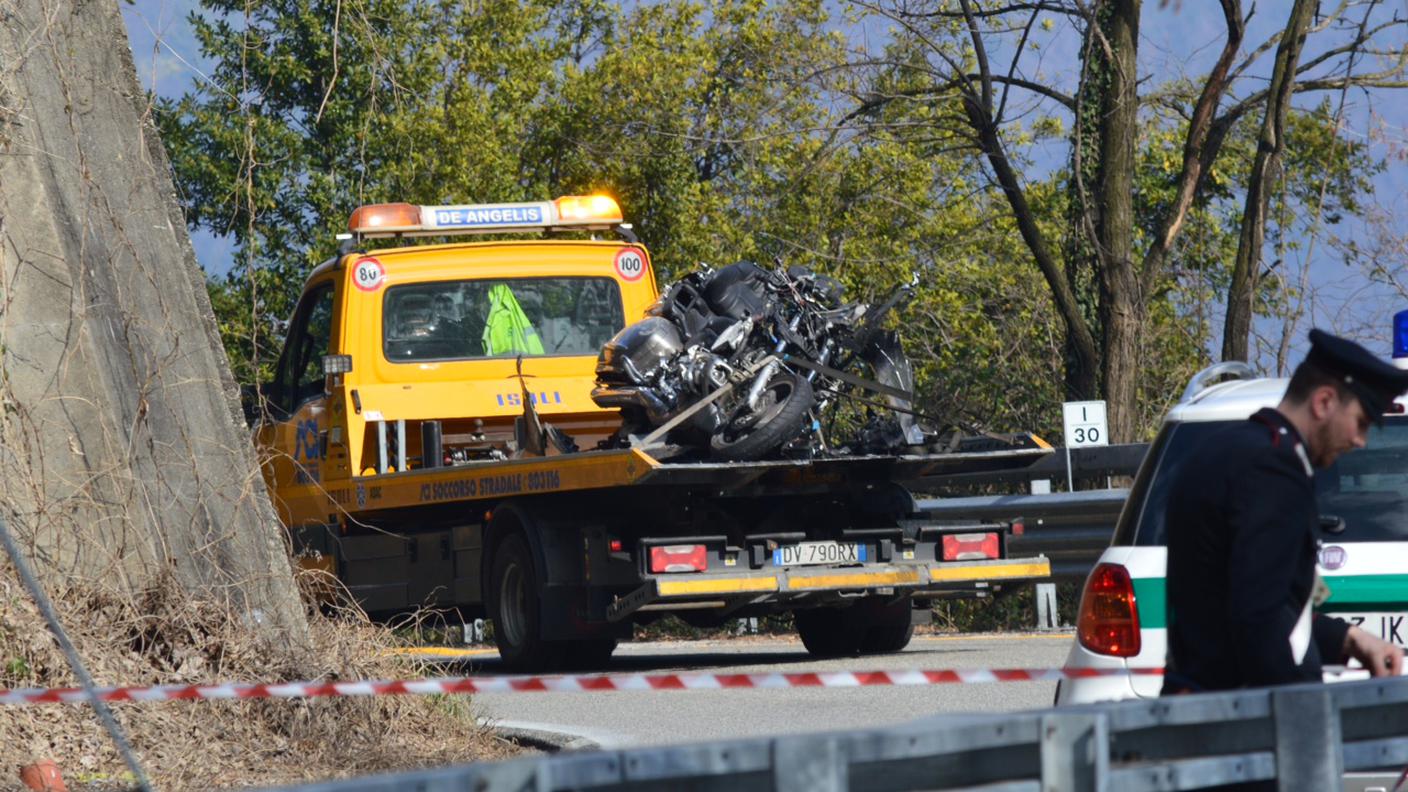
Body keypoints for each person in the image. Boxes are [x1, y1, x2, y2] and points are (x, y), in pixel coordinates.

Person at [1164, 329, 1408, 700]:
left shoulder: (1224, 450)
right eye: (1360, 421)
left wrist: (1349, 638)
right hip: (1245, 723)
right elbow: (1258, 620)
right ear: (1324, 401)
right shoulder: (1274, 471)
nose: (1361, 440)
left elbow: (1257, 604)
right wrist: (1304, 720)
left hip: (1208, 701)